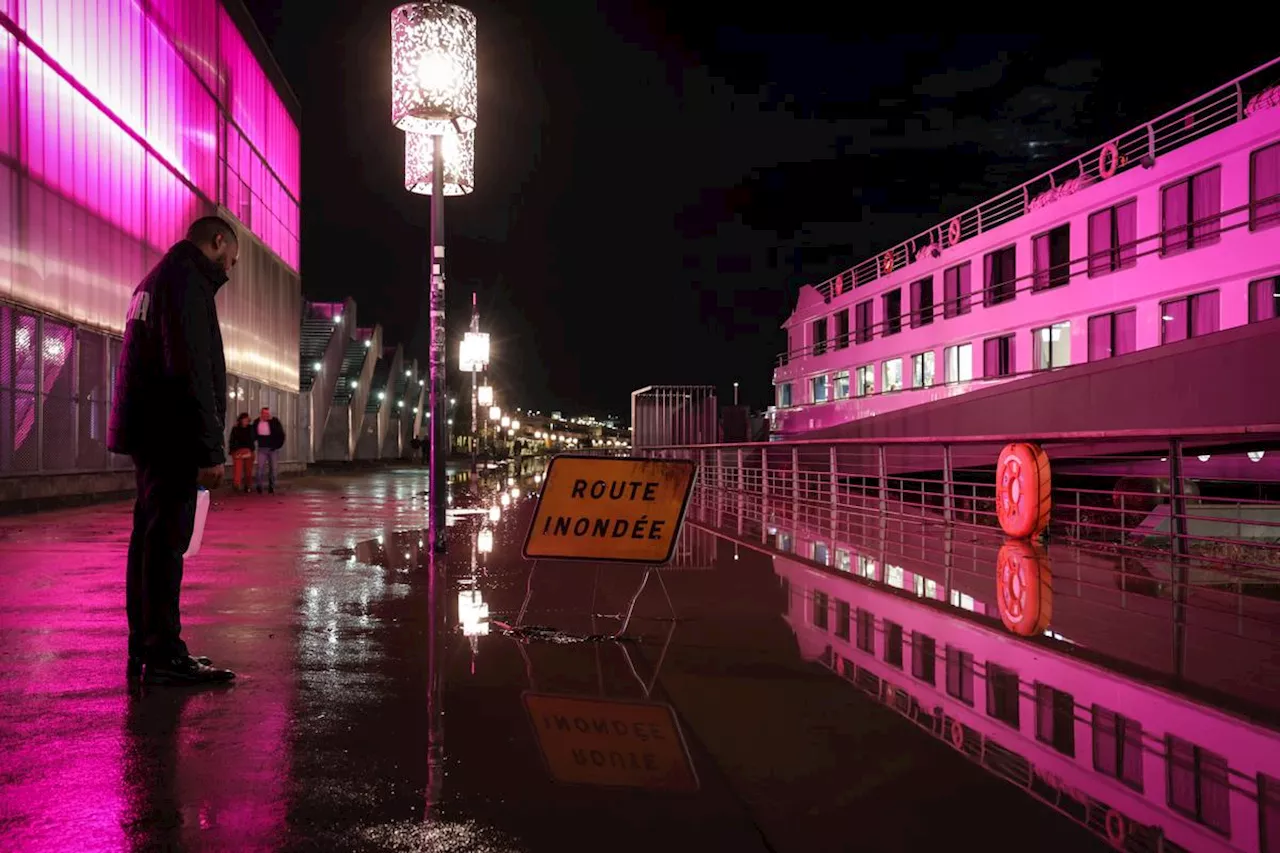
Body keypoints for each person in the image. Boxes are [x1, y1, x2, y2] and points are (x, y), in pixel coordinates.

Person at [108, 215, 239, 685]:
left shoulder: (155, 278)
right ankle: (163, 652)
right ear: (217, 241)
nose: (229, 268)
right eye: (231, 259)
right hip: (171, 435)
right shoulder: (186, 283)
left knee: (149, 539)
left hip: (151, 432)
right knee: (166, 544)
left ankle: (146, 643)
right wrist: (209, 450)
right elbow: (190, 370)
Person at [251, 406, 286, 493]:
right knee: (260, 468)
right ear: (261, 414)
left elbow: (280, 433)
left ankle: (272, 486)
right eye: (264, 413)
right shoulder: (257, 422)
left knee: (273, 468)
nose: (266, 415)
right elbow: (252, 434)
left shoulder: (274, 421)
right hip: (262, 448)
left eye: (267, 414)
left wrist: (277, 445)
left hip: (273, 449)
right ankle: (259, 486)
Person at [228, 413, 254, 492]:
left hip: (248, 450)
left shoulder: (250, 428)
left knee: (248, 470)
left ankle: (248, 485)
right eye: (244, 420)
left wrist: (250, 451)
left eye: (247, 420)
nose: (246, 421)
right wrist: (233, 450)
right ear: (241, 420)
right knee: (237, 469)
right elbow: (232, 440)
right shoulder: (236, 428)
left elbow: (252, 439)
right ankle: (236, 485)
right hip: (238, 450)